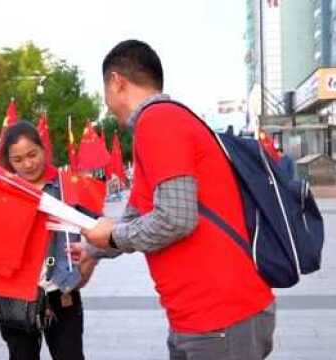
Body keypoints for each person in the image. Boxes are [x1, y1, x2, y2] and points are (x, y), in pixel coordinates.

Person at [78, 39, 276, 359]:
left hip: (219, 318)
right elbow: (135, 219)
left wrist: (110, 235)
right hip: (201, 319)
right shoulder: (159, 124)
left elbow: (175, 219)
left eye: (105, 90)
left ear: (117, 82)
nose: (107, 102)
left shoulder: (159, 121)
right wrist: (91, 249)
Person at [0, 121, 95, 360]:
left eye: (32, 154)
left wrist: (88, 261)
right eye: (18, 160)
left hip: (61, 290)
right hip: (16, 294)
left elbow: (100, 230)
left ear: (44, 149)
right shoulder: (1, 192)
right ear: (9, 161)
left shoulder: (66, 187)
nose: (28, 164)